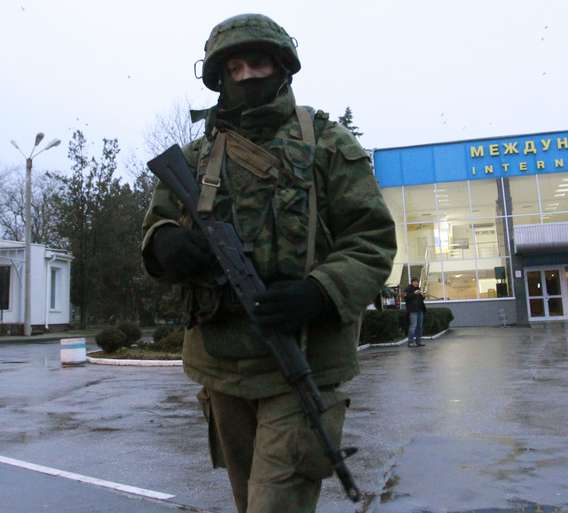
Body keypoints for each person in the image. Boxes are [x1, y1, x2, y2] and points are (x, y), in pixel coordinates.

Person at [141, 13, 396, 513]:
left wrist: (321, 292)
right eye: (232, 67)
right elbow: (155, 230)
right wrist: (165, 245)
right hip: (221, 365)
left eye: (256, 62)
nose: (245, 76)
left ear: (282, 66)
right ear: (217, 77)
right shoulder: (193, 159)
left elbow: (372, 239)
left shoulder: (326, 143)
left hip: (301, 360)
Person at [404, 278, 426, 346]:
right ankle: (410, 342)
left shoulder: (418, 289)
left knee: (419, 326)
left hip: (420, 310)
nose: (417, 283)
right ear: (412, 282)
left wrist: (423, 296)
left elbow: (421, 299)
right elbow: (406, 298)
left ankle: (418, 342)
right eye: (415, 282)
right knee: (413, 326)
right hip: (413, 310)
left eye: (417, 282)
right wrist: (414, 293)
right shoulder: (408, 289)